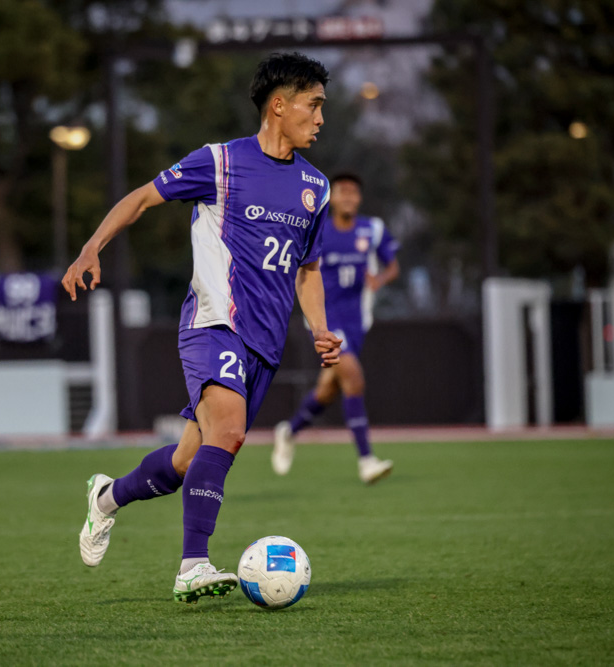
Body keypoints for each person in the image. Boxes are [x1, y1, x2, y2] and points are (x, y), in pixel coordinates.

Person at [62, 52, 341, 604]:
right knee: (229, 430)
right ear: (278, 106)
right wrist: (92, 246)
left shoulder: (316, 186)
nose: (320, 118)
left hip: (264, 344)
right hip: (213, 322)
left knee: (187, 461)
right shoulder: (220, 162)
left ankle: (106, 497)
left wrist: (319, 328)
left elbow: (307, 269)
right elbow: (142, 198)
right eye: (313, 105)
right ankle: (193, 565)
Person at [271, 173, 400, 484]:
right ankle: (366, 460)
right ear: (332, 198)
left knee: (328, 391)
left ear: (360, 198)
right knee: (353, 377)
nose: (348, 197)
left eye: (354, 192)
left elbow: (393, 266)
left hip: (357, 322)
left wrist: (380, 279)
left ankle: (289, 431)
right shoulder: (318, 229)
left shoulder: (372, 229)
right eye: (342, 191)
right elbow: (301, 271)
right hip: (326, 322)